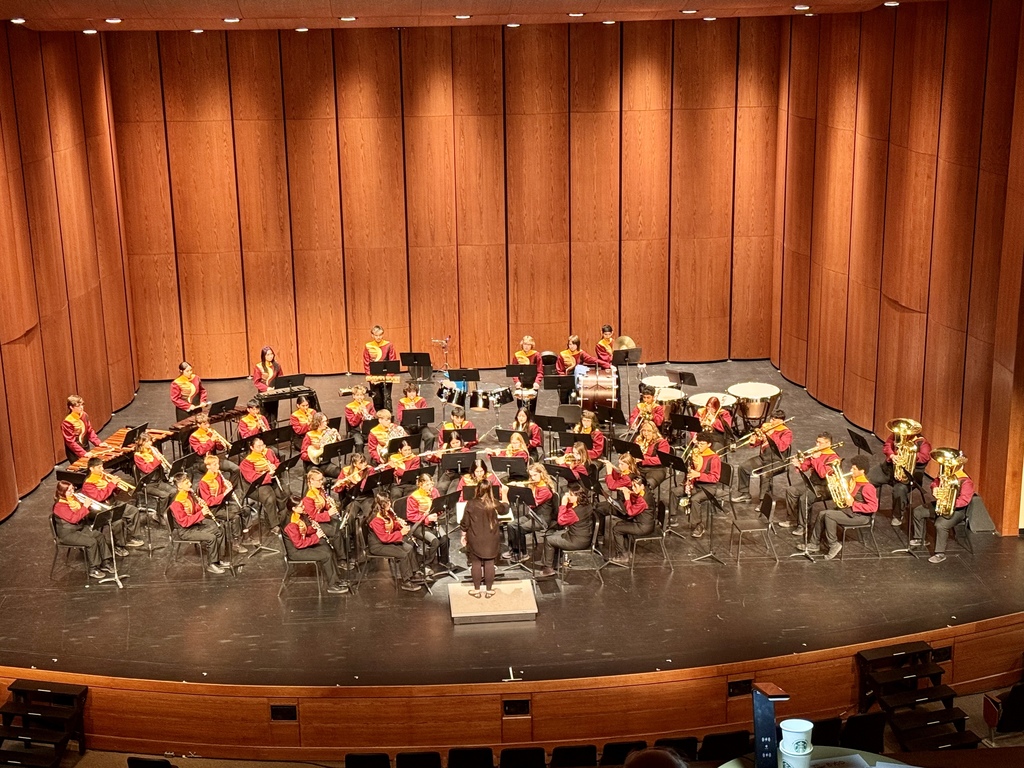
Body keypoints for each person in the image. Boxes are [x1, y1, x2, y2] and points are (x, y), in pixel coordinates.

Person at [806, 454, 878, 560]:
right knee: (822, 514)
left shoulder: (867, 487)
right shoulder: (853, 481)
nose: (851, 470)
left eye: (854, 469)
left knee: (829, 515)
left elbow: (873, 507)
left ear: (862, 471)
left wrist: (854, 504)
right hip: (849, 512)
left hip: (860, 517)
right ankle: (814, 544)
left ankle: (833, 544)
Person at [911, 455, 975, 564]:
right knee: (918, 511)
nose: (947, 467)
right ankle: (919, 538)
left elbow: (964, 500)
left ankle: (940, 553)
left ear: (959, 466)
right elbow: (935, 482)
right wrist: (935, 488)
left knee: (940, 525)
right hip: (942, 504)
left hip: (957, 510)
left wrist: (948, 502)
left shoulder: (966, 481)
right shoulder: (946, 475)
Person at [283, 495, 349, 594]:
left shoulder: (297, 515)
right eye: (301, 506)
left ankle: (336, 579)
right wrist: (316, 536)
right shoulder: (291, 524)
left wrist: (313, 528)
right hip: (296, 552)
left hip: (301, 545)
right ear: (294, 508)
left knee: (325, 546)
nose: (304, 507)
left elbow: (303, 530)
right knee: (326, 555)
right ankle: (332, 585)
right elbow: (299, 544)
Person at [869, 426, 933, 527]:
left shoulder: (922, 443)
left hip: (908, 477)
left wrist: (909, 455)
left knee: (899, 490)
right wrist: (892, 456)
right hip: (888, 470)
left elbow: (925, 457)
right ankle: (866, 507)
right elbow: (887, 446)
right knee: (867, 479)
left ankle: (897, 516)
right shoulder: (896, 435)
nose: (903, 434)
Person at [169, 472, 231, 574]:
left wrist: (201, 506)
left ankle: (218, 559)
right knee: (211, 537)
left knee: (219, 530)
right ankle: (211, 564)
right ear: (179, 486)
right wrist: (201, 513)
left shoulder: (188, 494)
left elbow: (193, 508)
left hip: (194, 525)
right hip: (185, 531)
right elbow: (184, 522)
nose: (190, 484)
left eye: (189, 481)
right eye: (186, 483)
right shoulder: (177, 502)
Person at [52, 480, 115, 578]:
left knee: (99, 535)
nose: (72, 492)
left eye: (73, 488)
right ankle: (93, 569)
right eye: (69, 491)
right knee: (91, 542)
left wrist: (87, 506)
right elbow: (74, 519)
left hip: (79, 528)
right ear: (62, 492)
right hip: (67, 534)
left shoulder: (73, 500)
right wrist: (85, 506)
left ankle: (105, 562)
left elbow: (81, 515)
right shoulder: (59, 506)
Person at [732, 409, 793, 502]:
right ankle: (745, 494)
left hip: (778, 461)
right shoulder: (768, 427)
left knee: (765, 474)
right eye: (771, 419)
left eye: (774, 420)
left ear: (781, 420)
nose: (771, 421)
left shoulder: (786, 432)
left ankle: (763, 501)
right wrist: (755, 440)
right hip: (764, 458)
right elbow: (758, 443)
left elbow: (782, 447)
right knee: (743, 467)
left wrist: (770, 435)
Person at [82, 457, 144, 548]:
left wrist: (117, 486)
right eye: (99, 467)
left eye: (102, 466)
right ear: (91, 468)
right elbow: (100, 497)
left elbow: (113, 492)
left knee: (133, 510)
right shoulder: (88, 484)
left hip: (113, 503)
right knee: (117, 521)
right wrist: (111, 484)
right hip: (101, 509)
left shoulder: (103, 476)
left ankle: (131, 538)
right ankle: (119, 545)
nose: (102, 469)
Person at [536, 484, 595, 579]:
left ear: (577, 497)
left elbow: (561, 521)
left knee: (548, 539)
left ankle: (548, 568)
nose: (568, 496)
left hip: (576, 541)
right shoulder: (587, 506)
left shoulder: (575, 512)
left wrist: (563, 504)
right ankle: (551, 562)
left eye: (571, 495)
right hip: (584, 537)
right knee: (552, 534)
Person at [784, 432, 839, 534]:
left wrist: (816, 458)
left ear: (828, 444)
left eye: (820, 443)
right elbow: (805, 467)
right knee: (791, 490)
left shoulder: (833, 458)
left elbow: (823, 474)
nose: (817, 445)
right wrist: (799, 465)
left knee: (804, 498)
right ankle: (792, 519)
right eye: (817, 442)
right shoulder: (817, 452)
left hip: (825, 487)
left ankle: (803, 526)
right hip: (813, 482)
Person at [366, 493, 422, 592]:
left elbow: (391, 525)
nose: (389, 504)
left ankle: (413, 573)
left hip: (386, 541)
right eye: (387, 503)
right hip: (378, 546)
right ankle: (406, 581)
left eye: (389, 501)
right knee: (403, 555)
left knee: (409, 547)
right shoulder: (375, 519)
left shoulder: (386, 513)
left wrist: (400, 525)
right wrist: (400, 533)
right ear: (381, 505)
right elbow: (384, 538)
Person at [461, 481, 505, 597]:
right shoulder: (493, 503)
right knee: (489, 562)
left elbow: (465, 523)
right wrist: (505, 494)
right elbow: (505, 509)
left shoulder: (471, 504)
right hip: (491, 538)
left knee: (476, 562)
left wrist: (463, 534)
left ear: (477, 489)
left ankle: (476, 590)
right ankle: (489, 590)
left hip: (475, 537)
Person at [198, 453, 247, 553]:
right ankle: (236, 543)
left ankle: (245, 536)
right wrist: (224, 493)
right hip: (213, 509)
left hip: (221, 504)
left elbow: (221, 490)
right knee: (235, 517)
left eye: (218, 464)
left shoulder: (218, 474)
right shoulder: (204, 482)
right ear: (208, 467)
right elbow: (209, 502)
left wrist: (226, 486)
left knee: (245, 510)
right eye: (215, 465)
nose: (218, 466)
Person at [506, 463, 556, 559]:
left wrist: (522, 490)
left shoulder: (545, 490)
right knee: (511, 525)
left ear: (542, 474)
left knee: (519, 528)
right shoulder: (535, 485)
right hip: (534, 515)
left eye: (535, 475)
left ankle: (523, 553)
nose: (533, 478)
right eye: (531, 475)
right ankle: (514, 550)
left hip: (542, 519)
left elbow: (533, 503)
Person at [239, 436, 288, 530]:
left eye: (263, 445)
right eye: (258, 446)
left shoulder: (268, 452)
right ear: (252, 448)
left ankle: (283, 518)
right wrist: (269, 475)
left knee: (284, 493)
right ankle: (273, 524)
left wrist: (275, 467)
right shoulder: (246, 462)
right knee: (270, 499)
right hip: (257, 485)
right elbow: (252, 478)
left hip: (271, 478)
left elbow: (277, 462)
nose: (262, 448)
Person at [403, 473, 448, 570]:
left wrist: (439, 512)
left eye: (431, 484)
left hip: (432, 522)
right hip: (418, 524)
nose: (430, 487)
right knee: (435, 541)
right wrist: (427, 518)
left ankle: (444, 562)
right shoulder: (413, 497)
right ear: (420, 484)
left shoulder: (434, 492)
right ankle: (427, 564)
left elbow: (438, 507)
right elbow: (411, 516)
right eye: (427, 485)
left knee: (445, 539)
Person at [608, 476, 654, 563]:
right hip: (642, 523)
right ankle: (626, 551)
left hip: (643, 527)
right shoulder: (645, 492)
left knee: (616, 529)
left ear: (642, 486)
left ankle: (623, 555)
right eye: (632, 485)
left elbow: (630, 512)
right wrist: (630, 492)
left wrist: (627, 498)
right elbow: (637, 496)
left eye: (635, 486)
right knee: (619, 525)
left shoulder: (643, 501)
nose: (633, 488)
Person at [686, 432, 722, 539]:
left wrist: (699, 475)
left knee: (695, 499)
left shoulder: (714, 458)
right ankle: (671, 518)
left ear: (709, 445)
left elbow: (715, 478)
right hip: (697, 484)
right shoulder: (696, 454)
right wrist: (688, 482)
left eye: (702, 444)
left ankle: (699, 525)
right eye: (699, 444)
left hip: (709, 487)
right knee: (675, 492)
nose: (700, 446)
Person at [188, 413, 240, 480]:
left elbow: (220, 448)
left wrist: (219, 443)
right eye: (205, 424)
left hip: (214, 459)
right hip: (202, 462)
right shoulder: (194, 437)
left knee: (236, 469)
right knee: (216, 474)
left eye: (208, 423)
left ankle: (230, 488)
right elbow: (200, 451)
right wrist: (211, 440)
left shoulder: (211, 432)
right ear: (198, 425)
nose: (208, 425)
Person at [555, 335, 603, 404]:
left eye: (574, 344)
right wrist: (565, 379)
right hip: (566, 379)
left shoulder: (581, 353)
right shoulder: (563, 354)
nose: (571, 346)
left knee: (577, 400)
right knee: (564, 401)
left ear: (577, 345)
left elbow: (593, 360)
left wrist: (608, 365)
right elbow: (559, 370)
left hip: (578, 380)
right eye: (570, 344)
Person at [61, 395, 107, 464]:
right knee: (81, 470)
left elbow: (89, 431)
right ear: (71, 407)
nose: (81, 407)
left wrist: (98, 443)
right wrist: (82, 453)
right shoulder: (67, 422)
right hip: (74, 451)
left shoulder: (84, 415)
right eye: (78, 406)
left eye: (82, 405)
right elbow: (70, 442)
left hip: (85, 446)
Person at [363, 325, 399, 412]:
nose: (378, 337)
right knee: (376, 398)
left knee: (387, 398)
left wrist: (389, 375)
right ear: (372, 335)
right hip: (374, 376)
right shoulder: (368, 346)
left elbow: (392, 360)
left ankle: (388, 418)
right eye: (376, 335)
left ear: (383, 334)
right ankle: (378, 417)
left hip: (386, 376)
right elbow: (366, 362)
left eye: (380, 335)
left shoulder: (388, 345)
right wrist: (370, 376)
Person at [133, 434, 176, 505]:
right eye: (147, 442)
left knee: (174, 491)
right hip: (148, 484)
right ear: (141, 443)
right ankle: (162, 514)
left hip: (158, 481)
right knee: (164, 495)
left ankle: (169, 509)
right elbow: (147, 469)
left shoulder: (153, 450)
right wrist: (157, 460)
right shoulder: (138, 456)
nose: (150, 443)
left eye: (150, 441)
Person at [395, 381, 436, 449]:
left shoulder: (421, 400)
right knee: (402, 438)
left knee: (430, 437)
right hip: (407, 427)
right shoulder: (402, 402)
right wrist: (408, 411)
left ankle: (427, 456)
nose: (412, 394)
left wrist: (416, 410)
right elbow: (399, 417)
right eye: (409, 392)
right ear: (406, 393)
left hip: (420, 426)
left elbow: (425, 415)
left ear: (416, 392)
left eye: (414, 392)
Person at [300, 413, 341, 479]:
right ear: (318, 423)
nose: (326, 423)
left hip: (326, 464)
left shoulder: (328, 433)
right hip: (312, 465)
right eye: (324, 421)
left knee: (341, 473)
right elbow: (303, 454)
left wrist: (337, 438)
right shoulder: (309, 435)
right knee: (320, 480)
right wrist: (313, 457)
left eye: (326, 421)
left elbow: (337, 449)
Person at [512, 335, 544, 414]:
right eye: (525, 344)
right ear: (522, 344)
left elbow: (540, 371)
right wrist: (517, 382)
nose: (526, 346)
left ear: (532, 345)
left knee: (532, 408)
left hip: (532, 384)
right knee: (520, 408)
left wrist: (537, 382)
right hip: (521, 384)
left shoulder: (536, 355)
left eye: (528, 344)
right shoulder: (517, 355)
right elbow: (513, 371)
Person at [251, 346, 282, 423]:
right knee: (265, 416)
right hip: (264, 394)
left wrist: (277, 387)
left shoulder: (277, 365)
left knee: (274, 415)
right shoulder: (259, 367)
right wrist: (267, 388)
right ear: (263, 356)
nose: (270, 356)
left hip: (274, 393)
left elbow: (281, 378)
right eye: (268, 355)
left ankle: (274, 431)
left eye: (271, 354)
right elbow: (256, 382)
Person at [636, 420, 670, 489]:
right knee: (626, 479)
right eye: (644, 431)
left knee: (646, 486)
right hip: (640, 468)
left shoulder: (662, 443)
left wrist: (643, 459)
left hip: (656, 469)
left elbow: (660, 460)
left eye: (649, 431)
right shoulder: (639, 440)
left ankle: (647, 499)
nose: (646, 433)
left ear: (654, 432)